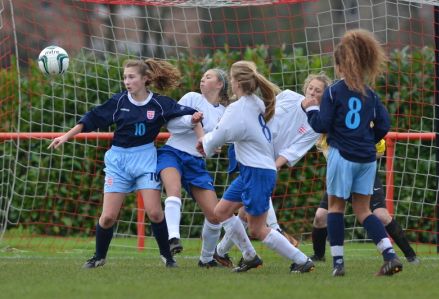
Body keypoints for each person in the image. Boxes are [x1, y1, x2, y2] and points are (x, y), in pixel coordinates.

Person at [48, 58, 199, 269]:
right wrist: (66, 136)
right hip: (119, 161)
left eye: (131, 77)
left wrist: (204, 134)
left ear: (145, 79)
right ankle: (98, 257)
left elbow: (191, 114)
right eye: (125, 77)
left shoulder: (160, 103)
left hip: (146, 159)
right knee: (108, 217)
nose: (127, 81)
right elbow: (91, 118)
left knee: (155, 212)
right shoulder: (119, 101)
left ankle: (168, 257)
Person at [197, 60, 314, 273]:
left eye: (231, 78)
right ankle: (250, 256)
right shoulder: (255, 103)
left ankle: (302, 260)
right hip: (252, 170)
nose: (230, 82)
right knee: (221, 211)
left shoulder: (238, 108)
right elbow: (231, 132)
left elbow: (219, 136)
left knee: (257, 228)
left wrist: (203, 140)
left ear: (236, 82)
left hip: (258, 173)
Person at [302, 28, 402, 276]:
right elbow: (384, 126)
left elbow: (322, 125)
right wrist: (366, 140)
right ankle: (389, 255)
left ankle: (337, 264)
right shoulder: (371, 95)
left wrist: (311, 110)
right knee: (364, 210)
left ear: (340, 65)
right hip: (366, 158)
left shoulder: (334, 91)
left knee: (335, 208)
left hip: (342, 155)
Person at [213, 73, 332, 267]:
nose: (312, 92)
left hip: (262, 166)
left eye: (318, 91)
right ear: (305, 87)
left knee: (251, 222)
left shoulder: (316, 123)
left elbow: (293, 151)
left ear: (324, 96)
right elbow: (263, 114)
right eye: (311, 88)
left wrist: (273, 165)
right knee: (234, 212)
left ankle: (298, 258)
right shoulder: (287, 96)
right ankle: (226, 253)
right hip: (250, 156)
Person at [157, 68, 229, 267]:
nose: (202, 79)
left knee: (215, 215)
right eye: (202, 76)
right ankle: (173, 238)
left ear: (219, 84)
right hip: (173, 153)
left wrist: (215, 147)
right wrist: (191, 119)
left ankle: (206, 260)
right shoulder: (191, 98)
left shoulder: (224, 113)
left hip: (196, 163)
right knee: (173, 190)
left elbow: (211, 147)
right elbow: (171, 124)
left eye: (208, 77)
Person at [310, 138, 419, 264]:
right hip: (341, 176)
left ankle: (410, 255)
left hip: (363, 174)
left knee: (381, 215)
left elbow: (380, 150)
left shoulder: (365, 126)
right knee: (320, 216)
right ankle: (319, 256)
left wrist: (359, 156)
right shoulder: (328, 131)